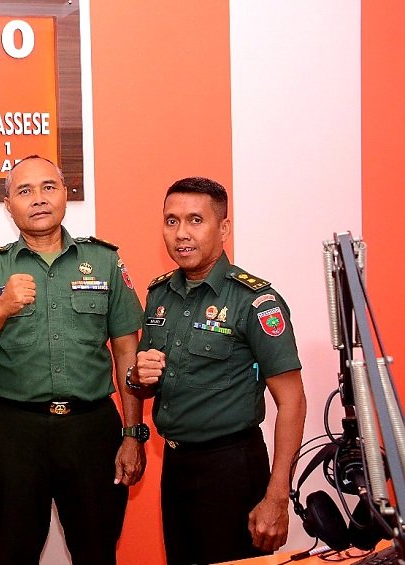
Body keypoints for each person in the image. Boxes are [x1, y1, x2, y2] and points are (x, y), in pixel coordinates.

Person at [0, 155, 147, 565]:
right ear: (8, 205)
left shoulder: (104, 261)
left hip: (92, 431)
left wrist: (133, 432)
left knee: (97, 554)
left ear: (65, 194)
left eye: (48, 187)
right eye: (25, 191)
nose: (38, 199)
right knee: (13, 554)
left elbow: (126, 350)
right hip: (15, 432)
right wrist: (0, 310)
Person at [129, 176, 307, 565]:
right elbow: (144, 383)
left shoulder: (255, 301)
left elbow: (292, 401)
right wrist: (137, 378)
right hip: (175, 465)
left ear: (223, 228)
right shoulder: (159, 295)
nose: (181, 233)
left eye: (195, 220)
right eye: (171, 221)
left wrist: (277, 496)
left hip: (232, 468)